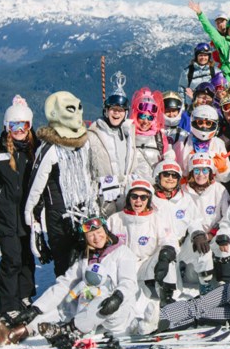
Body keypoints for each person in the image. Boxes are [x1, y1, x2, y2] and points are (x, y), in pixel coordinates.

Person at [0, 215, 150, 347]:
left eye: (99, 232)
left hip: (116, 310)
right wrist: (37, 308)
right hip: (87, 306)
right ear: (85, 239)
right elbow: (65, 284)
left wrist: (118, 297)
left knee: (98, 303)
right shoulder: (85, 259)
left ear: (106, 231)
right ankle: (14, 333)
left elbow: (128, 282)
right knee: (62, 307)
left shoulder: (122, 252)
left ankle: (66, 332)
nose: (96, 237)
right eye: (91, 235)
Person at [0, 95, 39, 323]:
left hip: (27, 213)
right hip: (5, 216)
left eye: (23, 125)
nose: (19, 130)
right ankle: (8, 303)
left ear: (30, 126)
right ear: (7, 126)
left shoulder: (35, 149)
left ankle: (24, 295)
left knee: (27, 257)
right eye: (14, 125)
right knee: (11, 259)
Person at [25, 91, 95, 278]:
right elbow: (35, 188)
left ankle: (84, 294)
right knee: (64, 261)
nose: (76, 114)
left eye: (78, 108)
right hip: (59, 214)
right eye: (70, 109)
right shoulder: (49, 149)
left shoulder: (84, 144)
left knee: (86, 256)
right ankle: (63, 299)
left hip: (83, 209)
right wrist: (33, 222)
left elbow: (89, 175)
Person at [108, 177, 178, 305]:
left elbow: (170, 240)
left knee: (168, 256)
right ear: (128, 197)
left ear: (149, 199)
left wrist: (166, 255)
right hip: (122, 270)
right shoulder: (115, 219)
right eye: (134, 196)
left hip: (145, 266)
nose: (138, 201)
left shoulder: (157, 219)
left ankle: (166, 299)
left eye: (143, 197)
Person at [150, 153, 207, 304]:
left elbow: (195, 220)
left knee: (203, 251)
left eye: (174, 176)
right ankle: (166, 293)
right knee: (175, 293)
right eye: (166, 175)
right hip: (163, 250)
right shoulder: (150, 199)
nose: (170, 178)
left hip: (182, 245)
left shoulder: (185, 198)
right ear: (158, 176)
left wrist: (198, 233)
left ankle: (206, 287)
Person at [182, 153, 230, 290]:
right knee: (192, 279)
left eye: (205, 170)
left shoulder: (219, 189)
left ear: (210, 172)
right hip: (193, 238)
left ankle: (224, 284)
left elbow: (227, 216)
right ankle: (201, 286)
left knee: (226, 247)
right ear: (191, 172)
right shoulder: (183, 191)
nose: (201, 175)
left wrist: (212, 234)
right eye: (197, 170)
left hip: (213, 234)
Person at [87, 78, 135, 217]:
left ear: (125, 113)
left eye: (120, 110)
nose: (116, 113)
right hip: (104, 195)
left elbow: (133, 163)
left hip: (126, 193)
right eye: (113, 109)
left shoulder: (129, 134)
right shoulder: (93, 134)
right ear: (106, 111)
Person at [189, 0, 230, 101]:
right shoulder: (223, 42)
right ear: (228, 30)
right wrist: (200, 14)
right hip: (229, 78)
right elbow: (210, 30)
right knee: (229, 102)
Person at [174, 104, 230, 184]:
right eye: (200, 122)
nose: (204, 126)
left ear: (214, 125)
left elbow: (226, 178)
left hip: (211, 189)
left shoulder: (218, 143)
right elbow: (176, 170)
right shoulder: (183, 141)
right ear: (193, 122)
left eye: (208, 123)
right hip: (188, 187)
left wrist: (223, 168)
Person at [129, 88, 171, 181]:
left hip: (154, 187)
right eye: (142, 116)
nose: (145, 121)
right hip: (133, 188)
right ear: (135, 115)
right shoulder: (128, 134)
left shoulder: (159, 137)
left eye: (150, 118)